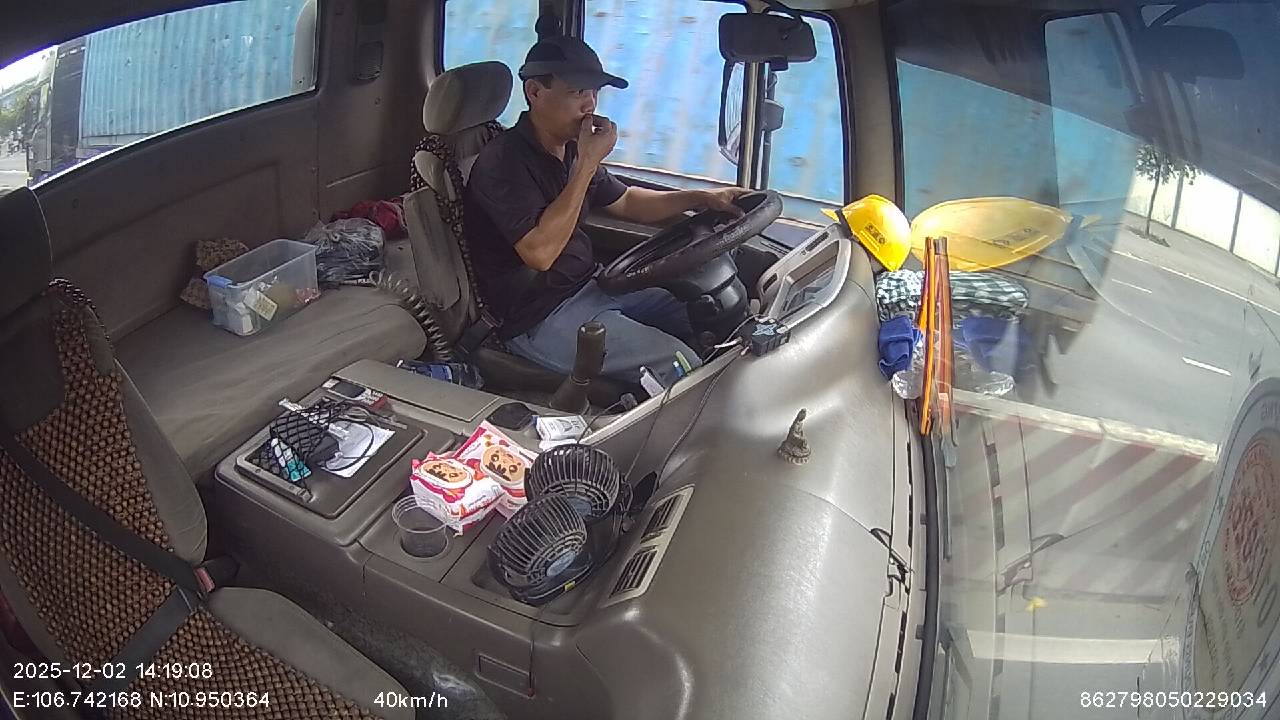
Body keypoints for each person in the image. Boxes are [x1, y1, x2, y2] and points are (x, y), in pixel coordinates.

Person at [465, 36, 750, 387]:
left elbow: (627, 201)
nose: (590, 105)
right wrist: (587, 163)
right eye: (577, 92)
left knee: (708, 312)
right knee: (679, 363)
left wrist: (701, 198)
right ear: (535, 92)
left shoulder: (568, 148)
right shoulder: (503, 161)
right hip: (539, 316)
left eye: (594, 92)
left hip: (591, 286)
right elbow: (540, 254)